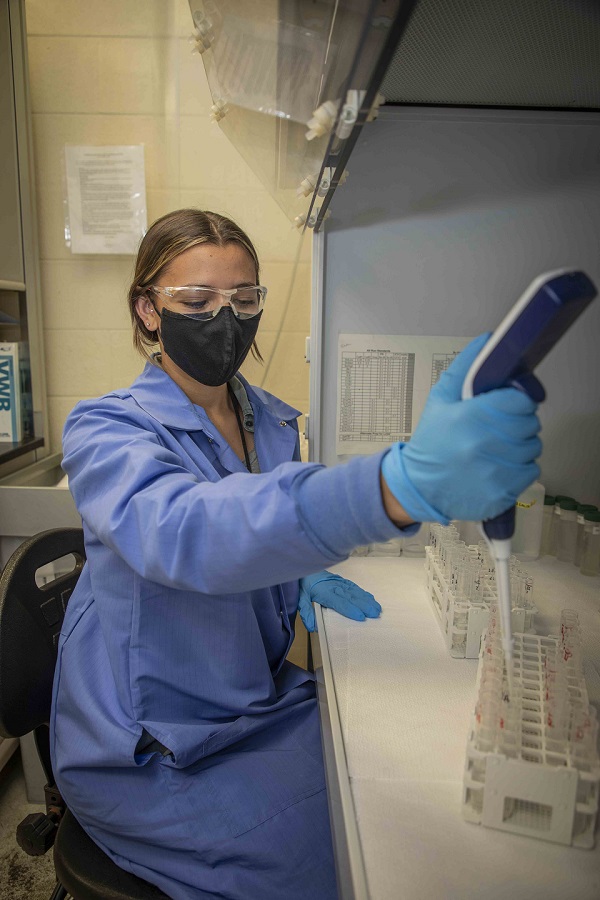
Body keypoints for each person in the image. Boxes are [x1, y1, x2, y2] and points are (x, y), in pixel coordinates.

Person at [52, 209, 541, 900]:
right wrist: (394, 486)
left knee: (403, 800)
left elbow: (255, 529)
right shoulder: (106, 429)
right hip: (155, 748)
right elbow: (187, 532)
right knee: (344, 866)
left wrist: (294, 573)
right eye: (195, 302)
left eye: (243, 300)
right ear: (148, 310)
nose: (224, 320)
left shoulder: (271, 422)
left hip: (253, 703)